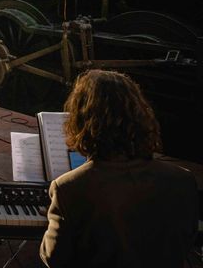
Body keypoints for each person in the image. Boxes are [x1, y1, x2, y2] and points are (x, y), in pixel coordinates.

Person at [40, 69, 199, 268]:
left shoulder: (69, 188)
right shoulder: (183, 180)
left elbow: (54, 258)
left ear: (82, 122)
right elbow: (188, 241)